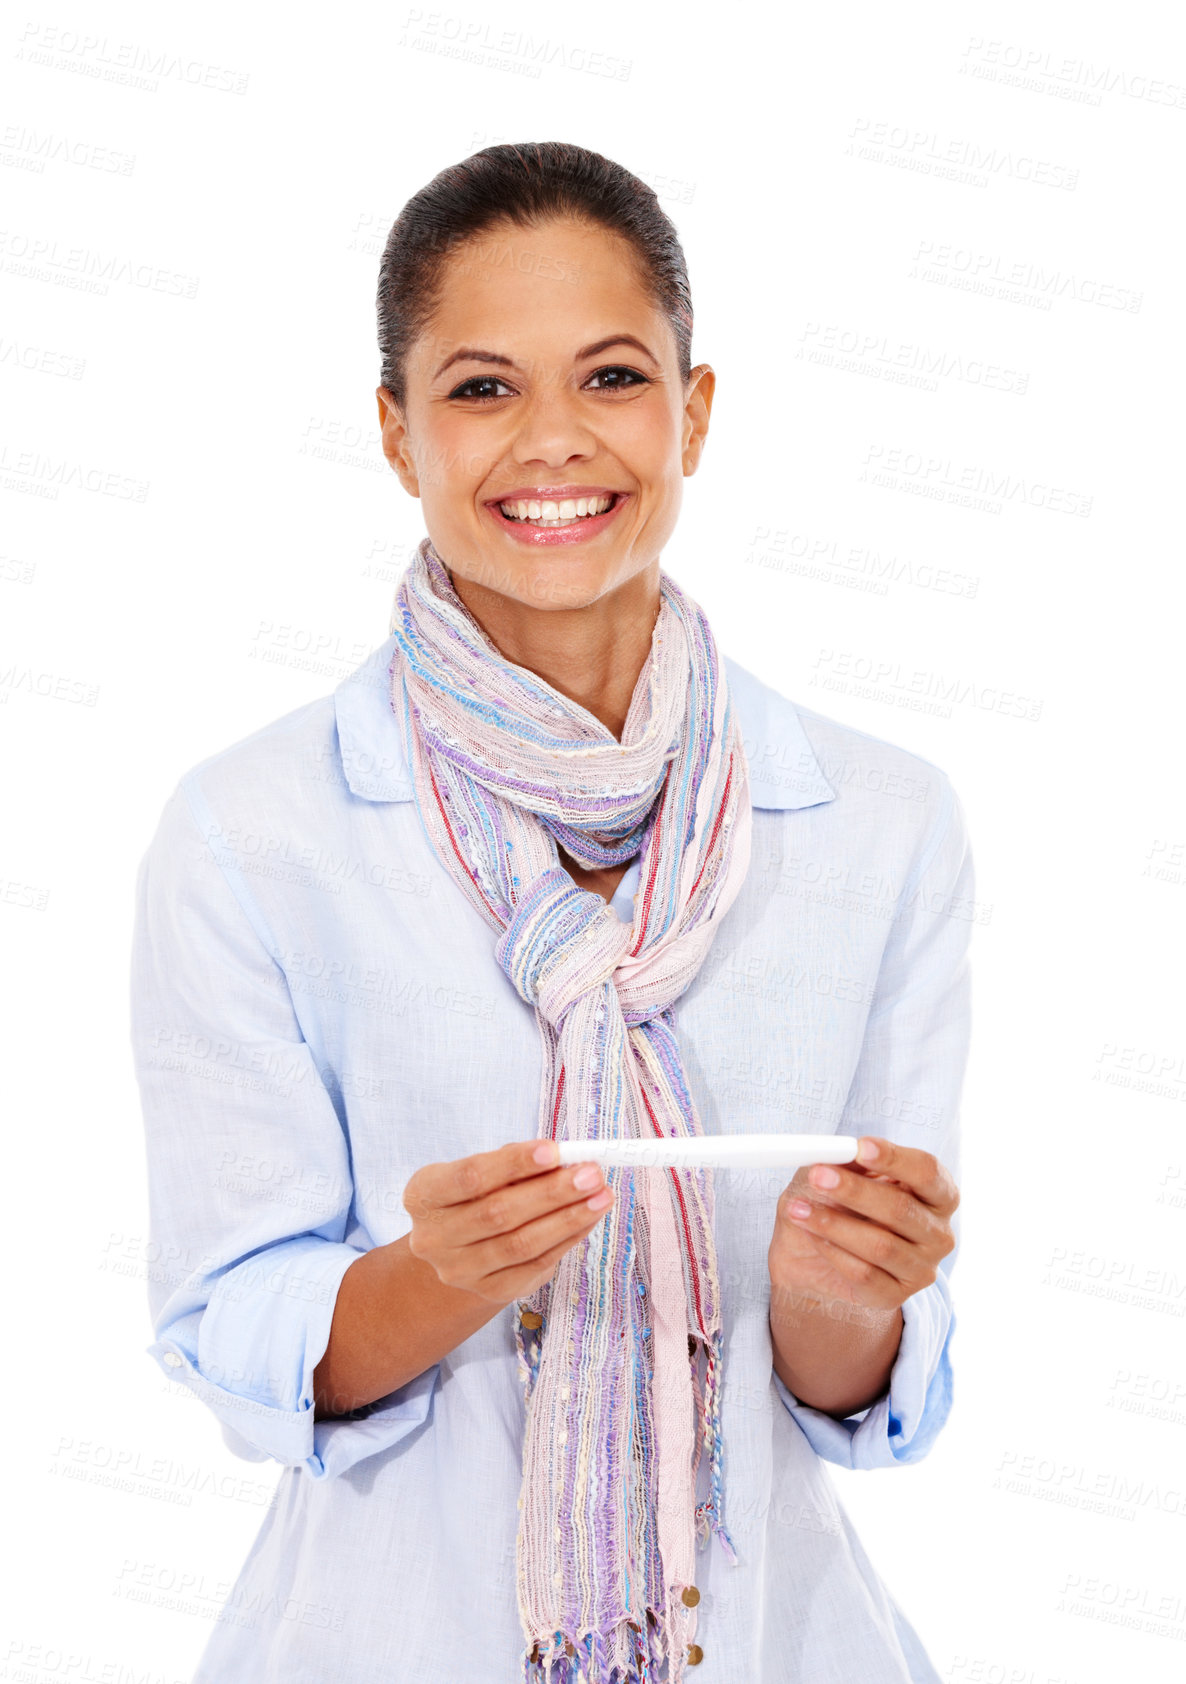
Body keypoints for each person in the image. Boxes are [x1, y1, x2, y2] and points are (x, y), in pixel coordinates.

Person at [130, 142, 971, 1684]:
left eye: (608, 375)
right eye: (477, 389)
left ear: (692, 412)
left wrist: (829, 1300)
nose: (553, 443)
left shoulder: (883, 822)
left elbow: (859, 1392)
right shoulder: (253, 832)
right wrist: (432, 1280)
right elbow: (233, 1331)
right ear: (394, 432)